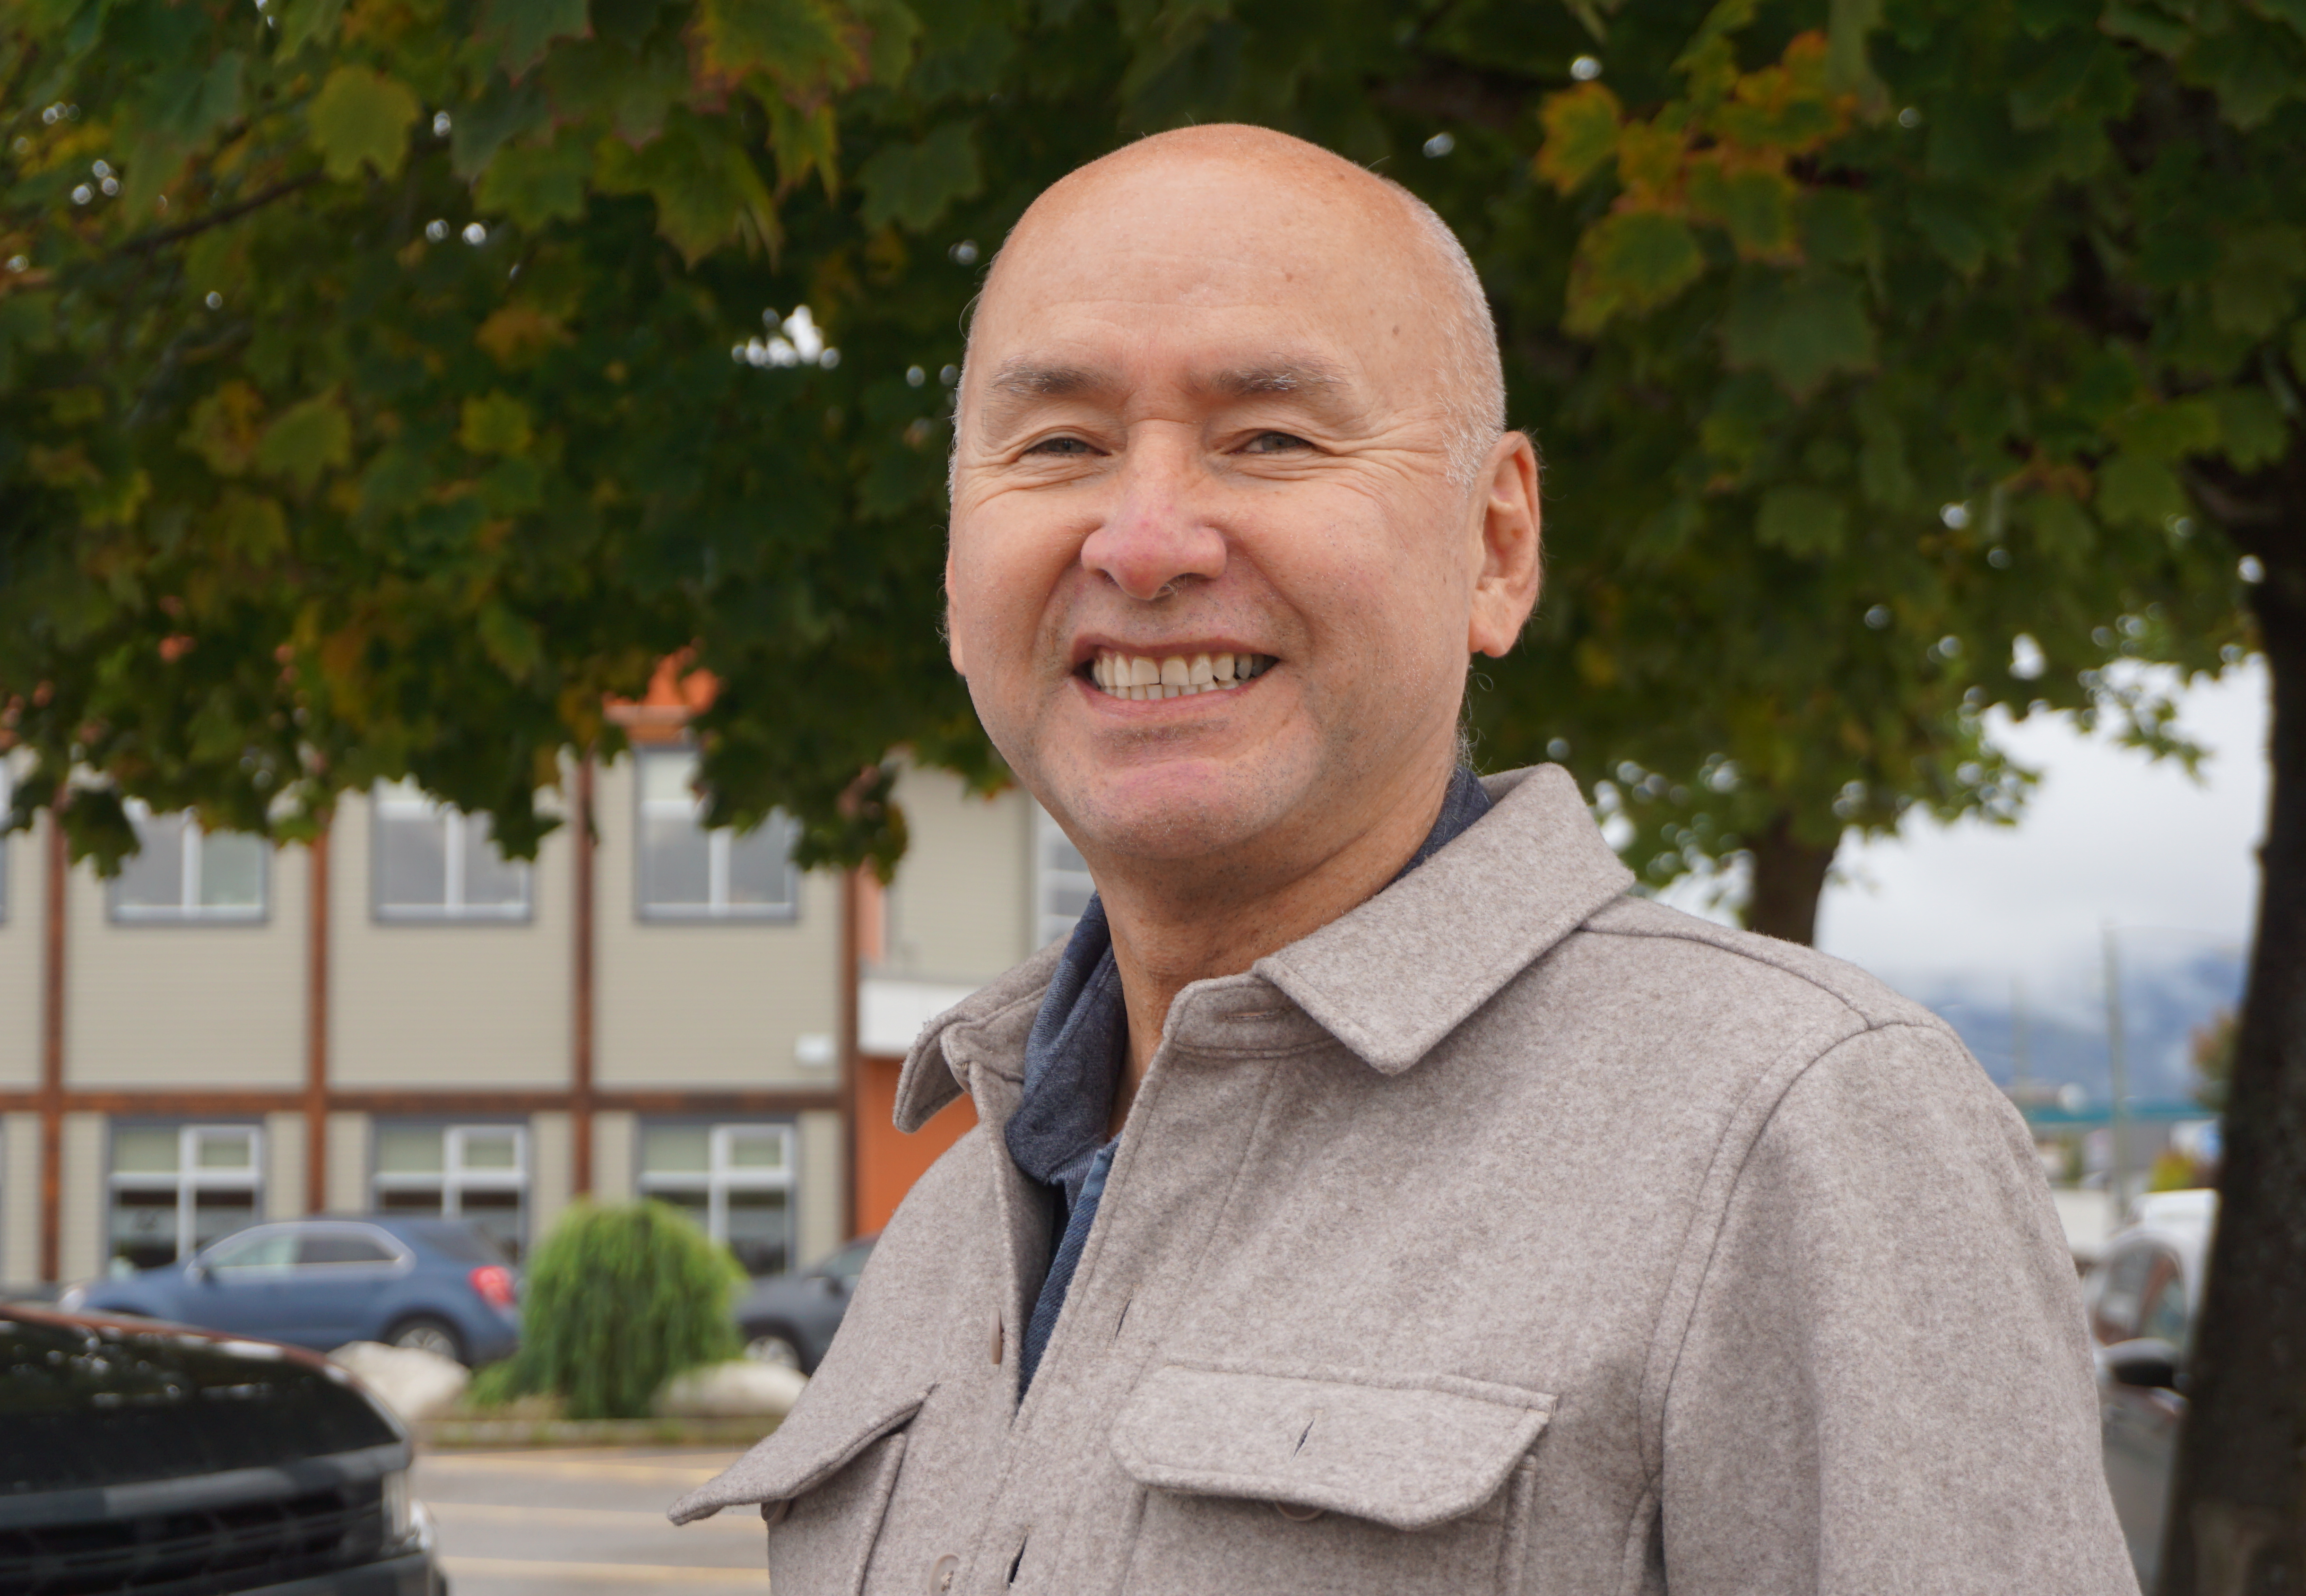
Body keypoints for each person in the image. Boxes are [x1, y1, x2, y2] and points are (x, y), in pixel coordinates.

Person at [673, 124, 2131, 1594]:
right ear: (951, 569)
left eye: (1271, 439)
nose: (1145, 542)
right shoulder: (951, 1227)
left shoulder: (1795, 1138)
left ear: (1496, 544)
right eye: (1060, 446)